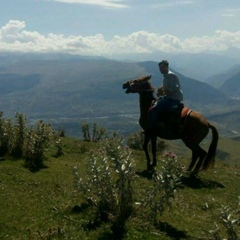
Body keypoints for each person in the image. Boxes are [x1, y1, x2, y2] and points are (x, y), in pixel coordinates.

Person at [150, 60, 183, 129]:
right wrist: (162, 90)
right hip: (170, 98)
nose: (161, 69)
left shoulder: (170, 75)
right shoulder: (166, 76)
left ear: (167, 67)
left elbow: (174, 88)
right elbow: (168, 87)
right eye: (160, 68)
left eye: (163, 67)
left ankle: (155, 127)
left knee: (155, 108)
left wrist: (163, 93)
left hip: (173, 99)